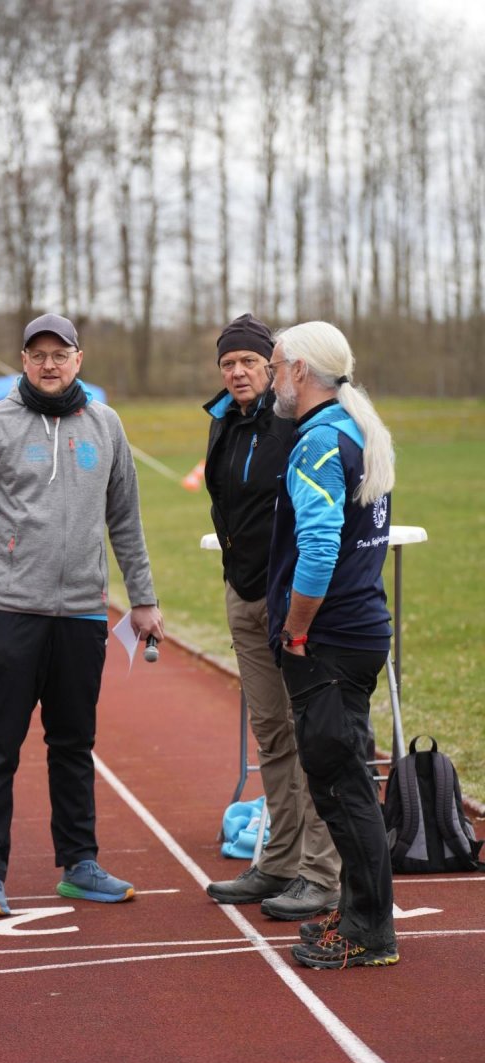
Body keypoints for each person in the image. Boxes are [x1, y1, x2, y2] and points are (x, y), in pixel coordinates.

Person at [0, 313, 164, 917]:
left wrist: (142, 599)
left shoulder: (106, 424)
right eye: (38, 354)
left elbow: (125, 519)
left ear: (78, 360)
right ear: (23, 360)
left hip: (83, 614)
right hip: (11, 611)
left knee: (73, 744)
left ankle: (79, 863)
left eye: (59, 354)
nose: (49, 364)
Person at [266, 320, 398, 970]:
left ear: (298, 370)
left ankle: (370, 931)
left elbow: (318, 549)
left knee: (342, 789)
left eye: (274, 366)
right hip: (359, 627)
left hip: (330, 640)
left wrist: (295, 630)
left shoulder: (320, 440)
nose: (271, 380)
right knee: (348, 779)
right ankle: (358, 911)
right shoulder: (354, 427)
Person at [203, 314, 341, 920]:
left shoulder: (296, 421)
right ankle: (279, 860)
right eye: (227, 363)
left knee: (311, 732)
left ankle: (321, 870)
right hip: (243, 592)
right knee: (272, 733)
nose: (237, 372)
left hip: (293, 600)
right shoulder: (222, 421)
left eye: (249, 362)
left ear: (273, 366)